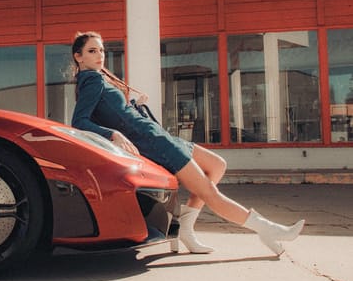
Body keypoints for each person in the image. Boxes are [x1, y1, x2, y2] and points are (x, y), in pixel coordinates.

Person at [70, 31, 305, 256]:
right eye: (92, 51)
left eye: (101, 49)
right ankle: (267, 229)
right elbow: (79, 122)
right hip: (155, 143)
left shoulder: (98, 79)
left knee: (217, 165)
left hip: (159, 136)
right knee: (209, 192)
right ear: (78, 56)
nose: (99, 55)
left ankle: (185, 228)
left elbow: (118, 114)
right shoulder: (91, 79)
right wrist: (112, 134)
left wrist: (135, 106)